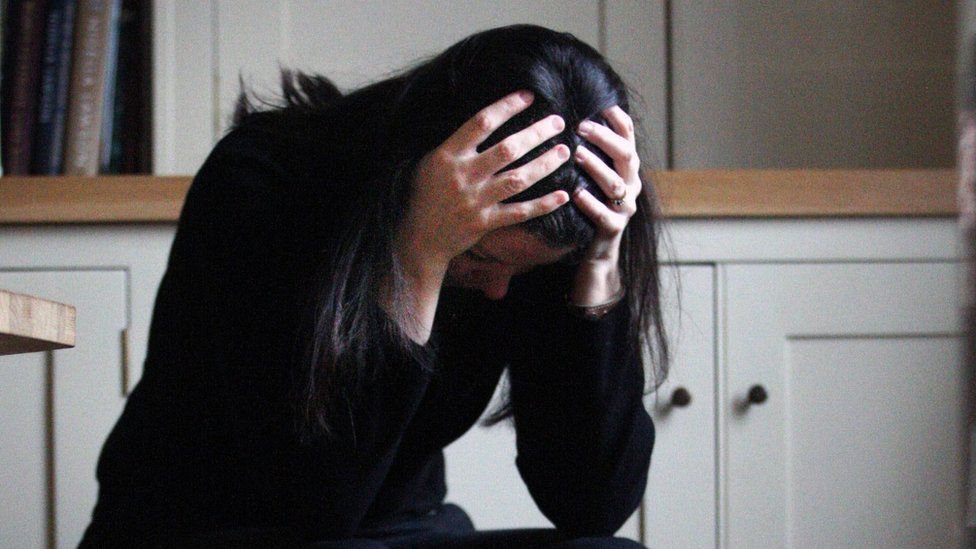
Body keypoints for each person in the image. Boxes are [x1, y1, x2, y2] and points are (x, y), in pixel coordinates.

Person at [79, 23, 673, 548]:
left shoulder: (535, 235)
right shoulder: (262, 182)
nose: (499, 292)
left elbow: (593, 506)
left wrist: (598, 265)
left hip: (400, 532)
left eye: (522, 273)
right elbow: (312, 507)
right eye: (481, 260)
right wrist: (421, 257)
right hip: (208, 527)